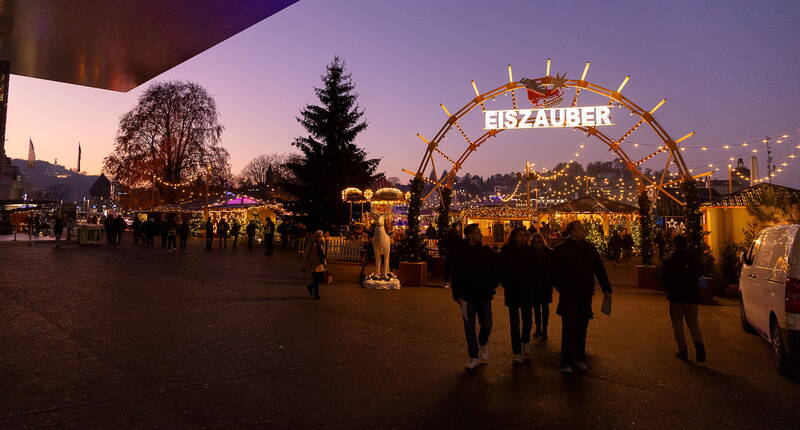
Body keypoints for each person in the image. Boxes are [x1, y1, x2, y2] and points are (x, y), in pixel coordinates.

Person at [551, 220, 612, 374]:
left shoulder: (589, 248)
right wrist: (562, 288)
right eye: (580, 229)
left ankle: (579, 358)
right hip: (569, 294)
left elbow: (599, 268)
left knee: (582, 327)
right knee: (569, 328)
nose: (583, 231)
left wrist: (606, 288)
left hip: (585, 294)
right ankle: (566, 361)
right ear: (572, 232)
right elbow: (554, 273)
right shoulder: (562, 250)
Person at [451, 223, 498, 370]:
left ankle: (483, 342)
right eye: (478, 232)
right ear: (470, 235)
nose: (481, 234)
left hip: (484, 294)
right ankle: (473, 356)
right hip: (467, 296)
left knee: (487, 324)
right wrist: (457, 294)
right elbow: (456, 274)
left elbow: (495, 268)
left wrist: (492, 286)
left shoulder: (486, 251)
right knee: (469, 328)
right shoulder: (460, 252)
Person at [661, 235, 706, 363]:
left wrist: (668, 289)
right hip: (691, 296)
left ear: (675, 245)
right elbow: (702, 271)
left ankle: (683, 350)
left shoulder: (670, 260)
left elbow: (664, 278)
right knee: (693, 324)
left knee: (678, 324)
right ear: (686, 244)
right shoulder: (693, 259)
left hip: (676, 297)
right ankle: (699, 345)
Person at [499, 227, 536, 364]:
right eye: (520, 235)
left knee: (527, 320)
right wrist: (507, 284)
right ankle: (516, 351)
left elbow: (535, 269)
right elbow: (501, 269)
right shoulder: (507, 250)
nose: (523, 238)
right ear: (514, 236)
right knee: (514, 323)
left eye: (524, 235)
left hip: (527, 290)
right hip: (513, 290)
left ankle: (525, 341)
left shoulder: (530, 251)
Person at [531, 232, 553, 341]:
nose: (537, 244)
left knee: (544, 307)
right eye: (535, 242)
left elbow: (552, 268)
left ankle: (544, 329)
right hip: (535, 284)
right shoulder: (530, 253)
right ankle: (538, 327)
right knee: (536, 307)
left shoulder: (548, 252)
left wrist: (549, 279)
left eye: (539, 242)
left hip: (545, 284)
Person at [302, 230, 327, 300]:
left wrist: (325, 263)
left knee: (320, 279)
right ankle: (316, 295)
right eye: (318, 236)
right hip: (313, 263)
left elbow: (323, 254)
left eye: (320, 236)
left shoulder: (322, 242)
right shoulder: (312, 242)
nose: (319, 237)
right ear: (316, 236)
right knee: (316, 280)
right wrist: (304, 265)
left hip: (320, 263)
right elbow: (306, 254)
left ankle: (310, 287)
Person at [443, 223, 464, 289]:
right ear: (457, 226)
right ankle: (454, 283)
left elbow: (446, 242)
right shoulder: (458, 233)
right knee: (455, 268)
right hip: (456, 252)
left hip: (449, 251)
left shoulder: (448, 232)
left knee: (448, 267)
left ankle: (446, 282)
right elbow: (460, 243)